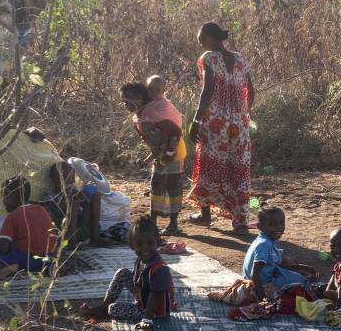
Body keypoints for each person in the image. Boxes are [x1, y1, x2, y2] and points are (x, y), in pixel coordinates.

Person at [186, 22, 254, 238]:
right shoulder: (241, 59)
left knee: (209, 164)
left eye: (202, 40)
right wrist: (244, 113)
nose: (201, 45)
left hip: (216, 122)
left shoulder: (208, 59)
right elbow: (251, 90)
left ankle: (205, 215)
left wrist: (196, 121)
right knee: (239, 168)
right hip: (240, 123)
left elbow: (207, 92)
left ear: (211, 38)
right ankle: (241, 221)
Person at [84, 215, 176, 331]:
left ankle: (108, 310)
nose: (145, 248)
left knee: (113, 309)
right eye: (140, 244)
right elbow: (138, 277)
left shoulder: (160, 269)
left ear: (157, 242)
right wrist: (137, 286)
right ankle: (103, 307)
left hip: (155, 311)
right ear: (132, 245)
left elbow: (155, 295)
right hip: (143, 296)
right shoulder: (141, 260)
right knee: (122, 272)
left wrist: (146, 320)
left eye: (150, 243)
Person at [121, 81, 187, 235]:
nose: (125, 105)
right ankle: (168, 224)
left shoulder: (148, 116)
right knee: (169, 187)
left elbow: (162, 141)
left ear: (139, 98)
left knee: (163, 187)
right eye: (123, 101)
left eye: (127, 101)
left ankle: (162, 224)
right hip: (172, 152)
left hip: (171, 153)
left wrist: (152, 158)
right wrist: (151, 157)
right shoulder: (149, 111)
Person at [0, 176, 59, 278]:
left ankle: (12, 266)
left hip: (26, 261)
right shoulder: (42, 209)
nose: (3, 201)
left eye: (4, 196)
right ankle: (49, 267)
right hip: (48, 259)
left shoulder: (13, 216)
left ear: (11, 196)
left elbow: (3, 247)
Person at [241, 207, 317, 297]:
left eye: (281, 223)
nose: (278, 227)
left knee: (297, 274)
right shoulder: (264, 244)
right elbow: (255, 274)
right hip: (259, 284)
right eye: (272, 224)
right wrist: (261, 297)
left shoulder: (270, 239)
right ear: (260, 227)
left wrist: (304, 268)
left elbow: (281, 262)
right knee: (300, 283)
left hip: (267, 275)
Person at [67, 157, 131, 245]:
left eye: (69, 174)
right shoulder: (51, 195)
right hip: (68, 219)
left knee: (95, 194)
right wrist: (77, 198)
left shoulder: (73, 187)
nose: (68, 177)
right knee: (75, 202)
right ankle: (72, 240)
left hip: (82, 219)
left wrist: (85, 195)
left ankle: (95, 236)